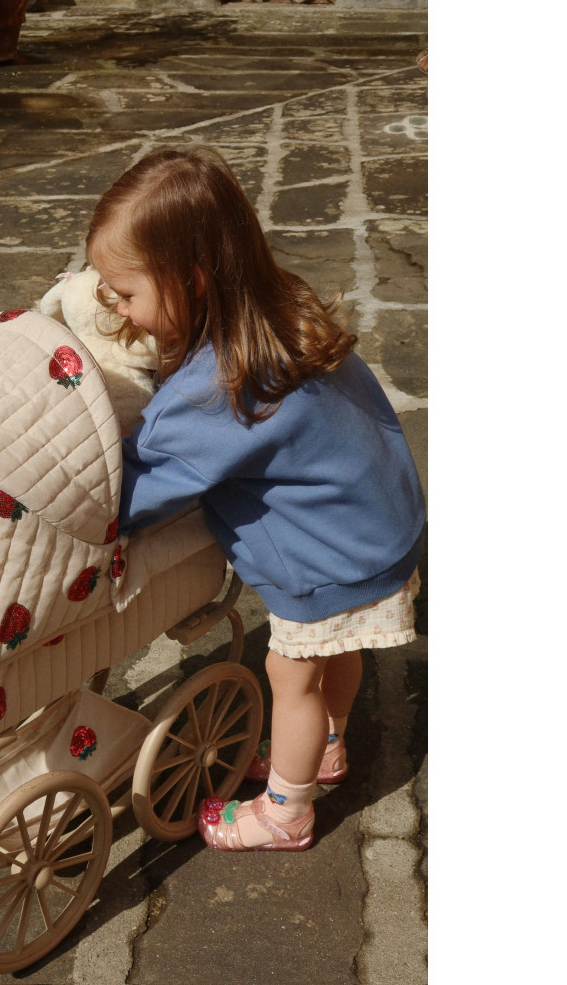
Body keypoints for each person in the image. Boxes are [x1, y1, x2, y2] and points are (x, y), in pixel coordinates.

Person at [85, 146, 425, 852]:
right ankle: (325, 748)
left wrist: (84, 498)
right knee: (338, 650)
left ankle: (286, 813)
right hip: (380, 531)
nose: (115, 306)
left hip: (325, 560)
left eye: (125, 293)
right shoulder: (281, 312)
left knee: (289, 676)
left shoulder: (217, 388)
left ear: (191, 280)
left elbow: (133, 495)